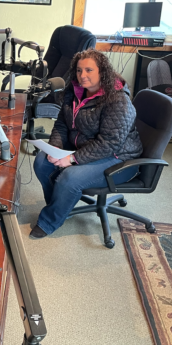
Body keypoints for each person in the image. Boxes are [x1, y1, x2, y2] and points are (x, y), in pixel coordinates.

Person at [30, 49, 143, 239]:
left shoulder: (117, 100)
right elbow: (62, 123)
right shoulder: (74, 92)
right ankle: (60, 207)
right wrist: (56, 146)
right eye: (79, 70)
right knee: (42, 162)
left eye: (89, 70)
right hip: (86, 147)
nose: (82, 75)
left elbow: (110, 143)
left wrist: (72, 159)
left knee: (70, 177)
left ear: (102, 71)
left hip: (119, 158)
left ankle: (50, 220)